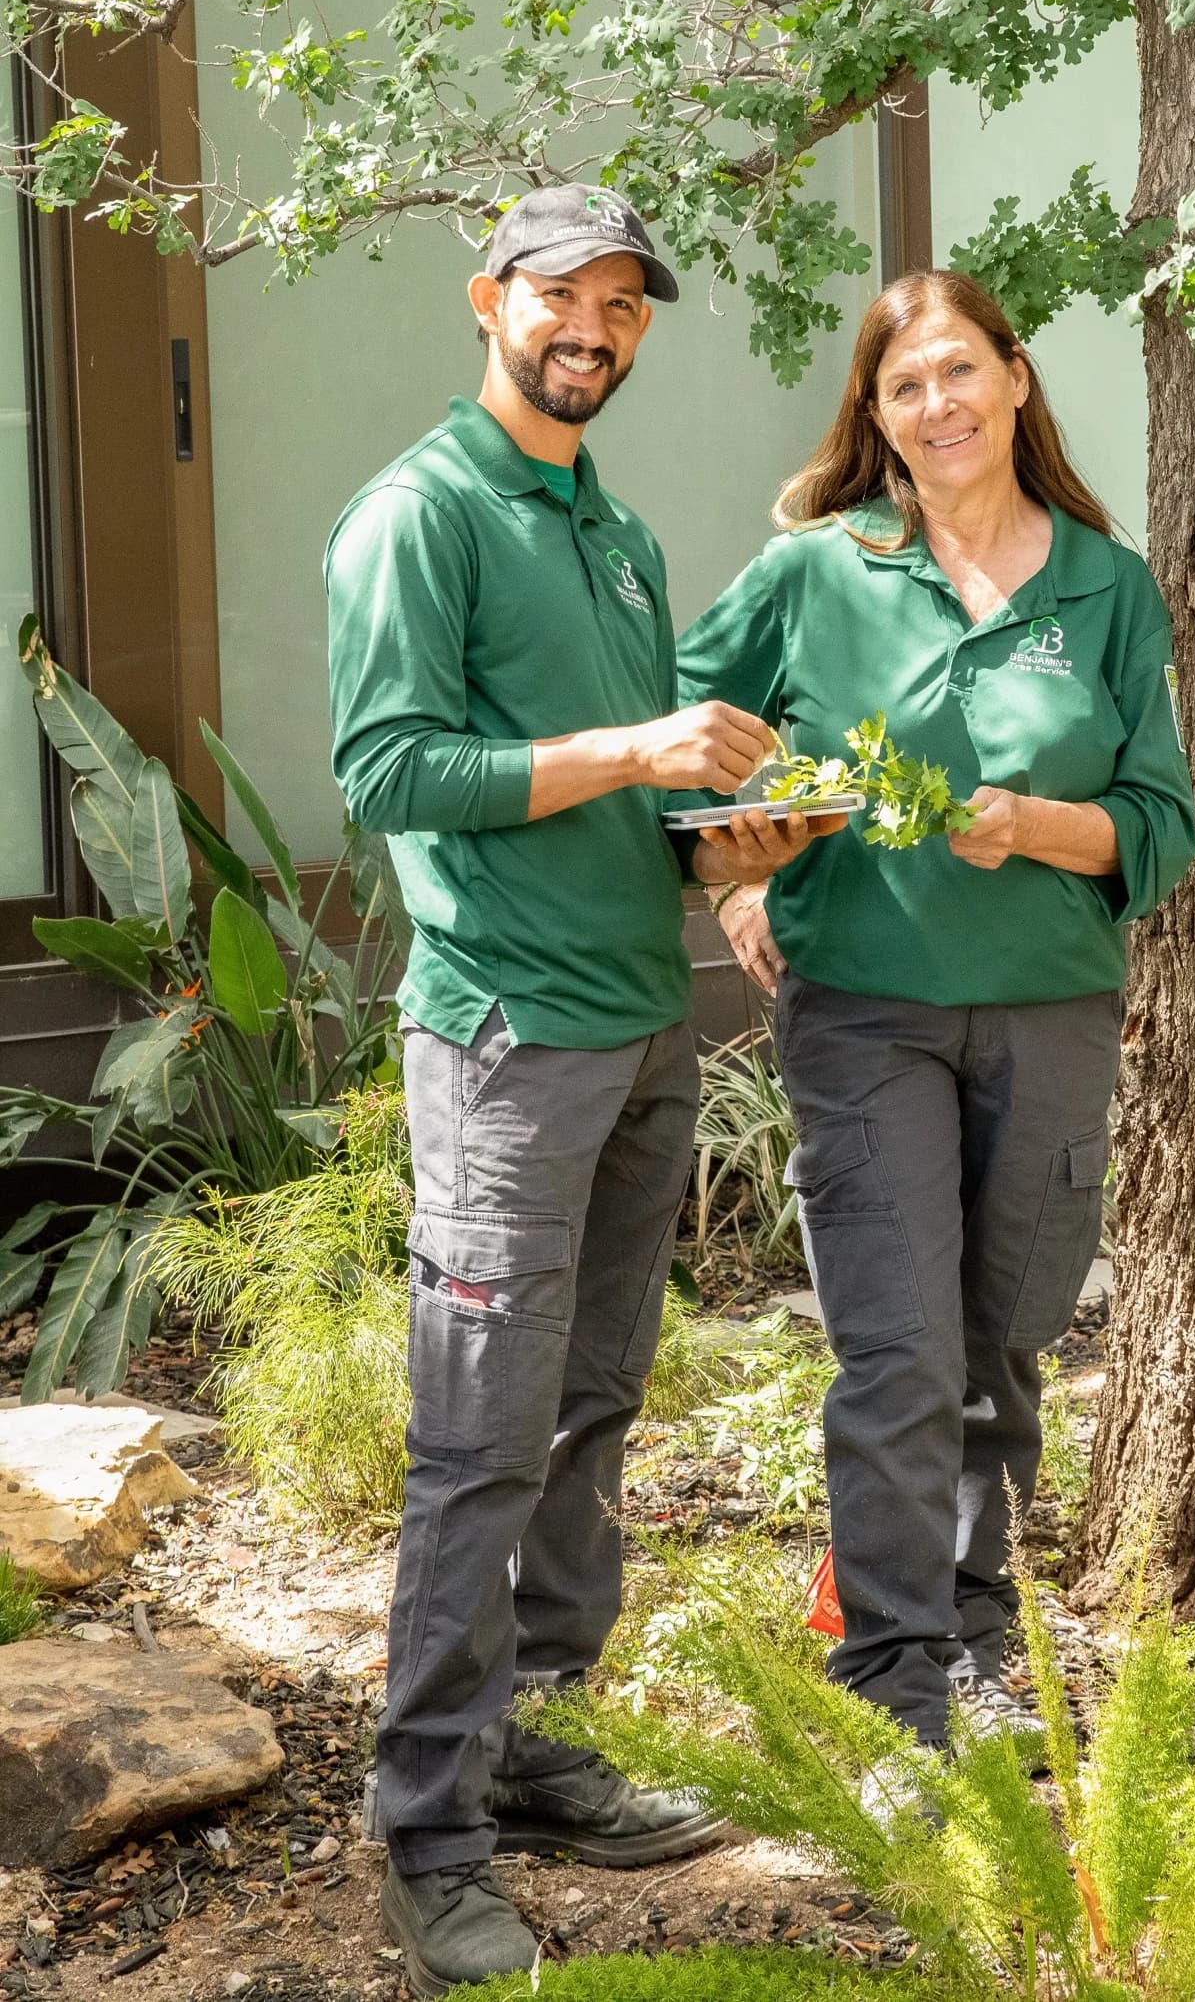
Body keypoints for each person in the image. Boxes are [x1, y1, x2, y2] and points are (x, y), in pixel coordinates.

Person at [326, 185, 841, 1998]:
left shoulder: (611, 533)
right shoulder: (422, 515)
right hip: (504, 1047)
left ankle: (532, 1744)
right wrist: (636, 743)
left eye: (627, 306)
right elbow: (389, 768)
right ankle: (429, 1836)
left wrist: (734, 847)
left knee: (588, 1413)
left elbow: (617, 806)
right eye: (568, 296)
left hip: (638, 1028)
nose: (597, 331)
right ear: (492, 300)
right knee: (478, 1442)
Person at [676, 268, 1195, 1771]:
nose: (938, 405)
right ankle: (895, 1680)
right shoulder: (812, 573)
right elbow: (689, 760)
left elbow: (1160, 826)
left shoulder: (1105, 584)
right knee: (900, 1353)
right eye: (905, 386)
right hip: (866, 1015)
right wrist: (734, 881)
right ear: (877, 418)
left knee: (1004, 1343)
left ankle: (977, 1629)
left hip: (1051, 1017)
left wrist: (1033, 823)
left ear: (1017, 381)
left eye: (961, 371)